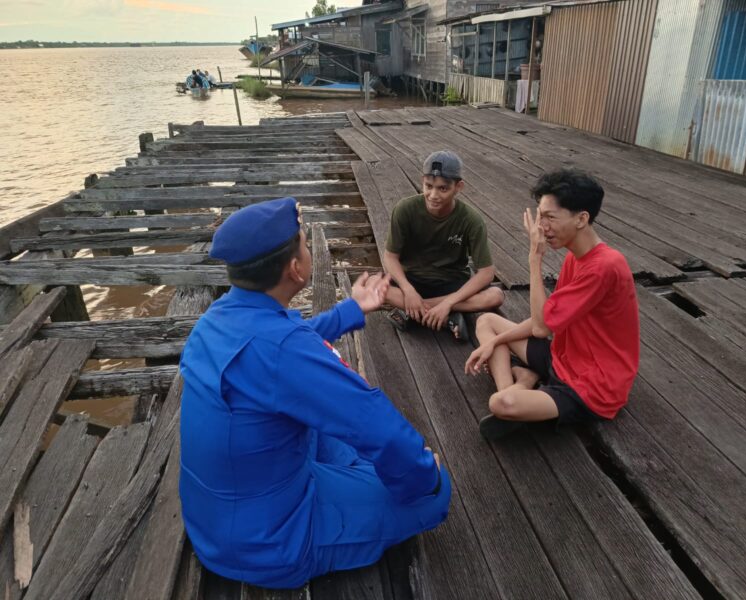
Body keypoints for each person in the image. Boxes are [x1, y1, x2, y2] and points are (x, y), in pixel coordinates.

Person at [179, 198, 450, 589]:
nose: (308, 250)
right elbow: (378, 425)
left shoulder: (216, 318)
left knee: (324, 428)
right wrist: (427, 473)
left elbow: (280, 345)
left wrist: (351, 309)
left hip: (214, 521)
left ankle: (358, 480)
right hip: (272, 543)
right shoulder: (283, 351)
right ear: (295, 268)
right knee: (433, 491)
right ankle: (389, 485)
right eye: (305, 243)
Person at [465, 170, 639, 440]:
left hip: (591, 385)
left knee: (501, 404)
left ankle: (516, 391)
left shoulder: (604, 266)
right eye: (539, 216)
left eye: (549, 217)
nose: (540, 227)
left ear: (581, 219)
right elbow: (544, 321)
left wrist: (535, 259)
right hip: (563, 357)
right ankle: (517, 384)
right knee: (486, 322)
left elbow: (541, 326)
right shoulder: (575, 258)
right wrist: (493, 343)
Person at [384, 150, 504, 342]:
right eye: (428, 186)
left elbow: (486, 272)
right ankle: (449, 318)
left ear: (459, 187)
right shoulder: (404, 209)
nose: (433, 195)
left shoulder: (471, 220)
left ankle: (414, 313)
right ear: (422, 181)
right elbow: (391, 257)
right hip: (413, 280)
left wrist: (449, 302)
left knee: (495, 296)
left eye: (443, 189)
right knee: (375, 288)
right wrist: (408, 290)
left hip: (451, 283)